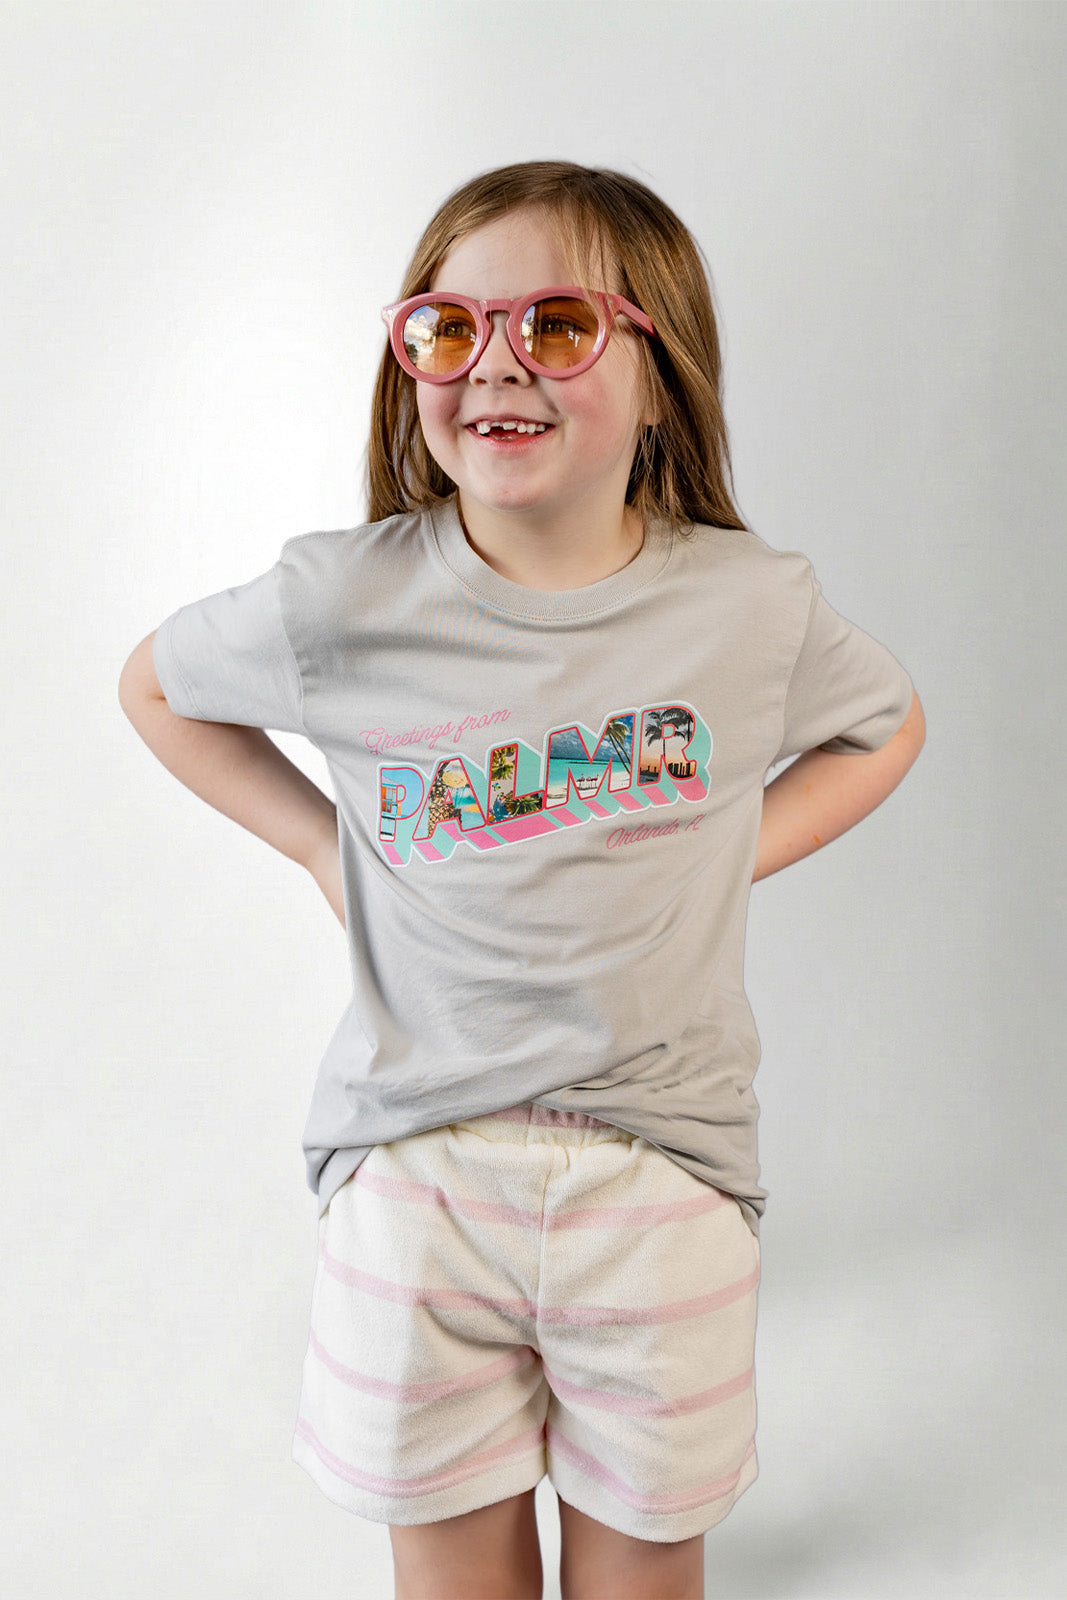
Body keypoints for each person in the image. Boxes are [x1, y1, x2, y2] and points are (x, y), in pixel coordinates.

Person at [118, 161, 925, 1600]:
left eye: (556, 325)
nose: (494, 363)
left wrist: (726, 849)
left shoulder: (751, 607)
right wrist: (324, 847)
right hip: (416, 1178)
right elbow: (157, 688)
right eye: (445, 328)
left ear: (661, 373)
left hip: (662, 1179)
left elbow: (888, 726)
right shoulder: (343, 598)